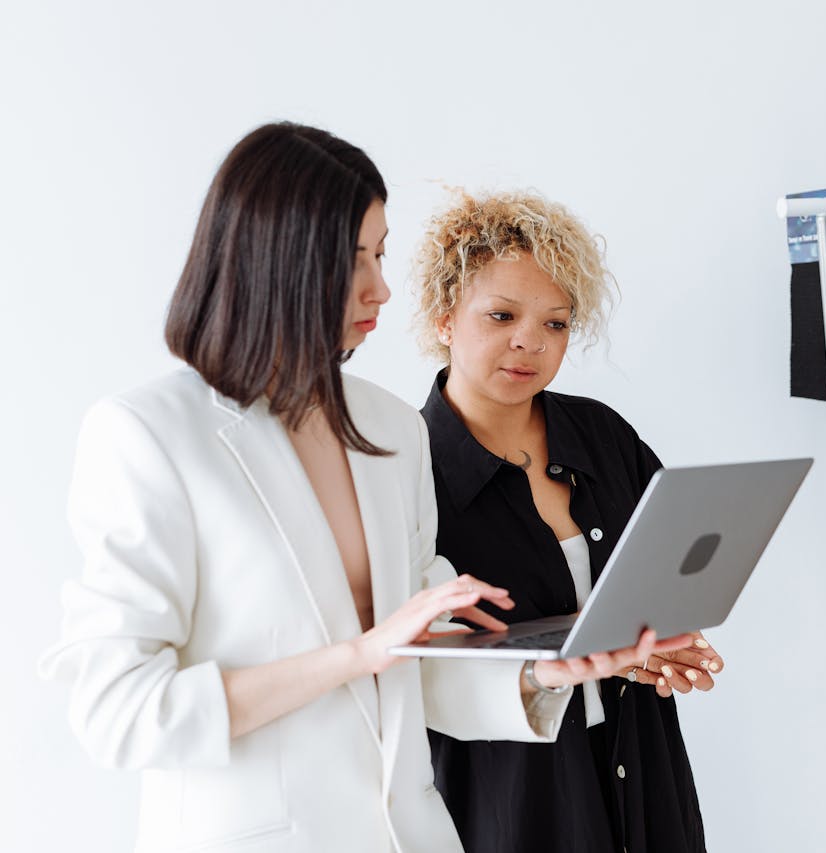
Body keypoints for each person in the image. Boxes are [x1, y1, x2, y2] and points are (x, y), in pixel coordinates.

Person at [39, 123, 676, 853]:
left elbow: (421, 665)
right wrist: (354, 654)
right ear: (277, 256)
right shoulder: (148, 435)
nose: (383, 285)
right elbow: (117, 711)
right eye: (356, 258)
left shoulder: (388, 428)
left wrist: (541, 674)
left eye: (380, 251)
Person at [414, 189, 722, 853]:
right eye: (501, 315)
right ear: (444, 317)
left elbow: (660, 580)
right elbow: (414, 667)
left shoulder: (604, 436)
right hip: (509, 797)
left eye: (556, 323)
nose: (529, 341)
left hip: (643, 772)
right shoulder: (406, 470)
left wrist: (663, 647)